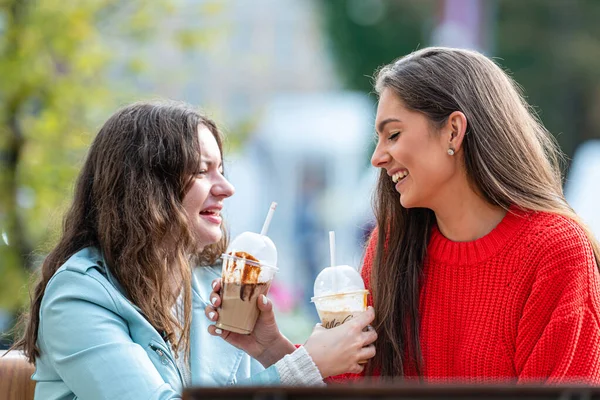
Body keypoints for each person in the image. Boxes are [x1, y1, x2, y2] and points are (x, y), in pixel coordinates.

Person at [11, 101, 377, 399]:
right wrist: (305, 365)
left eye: (221, 169)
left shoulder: (214, 285)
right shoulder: (79, 297)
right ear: (148, 186)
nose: (226, 188)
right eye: (203, 171)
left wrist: (270, 351)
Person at [342, 46, 600, 383]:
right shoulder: (391, 240)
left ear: (453, 130)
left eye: (393, 135)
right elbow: (355, 379)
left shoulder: (555, 250)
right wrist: (272, 346)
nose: (377, 157)